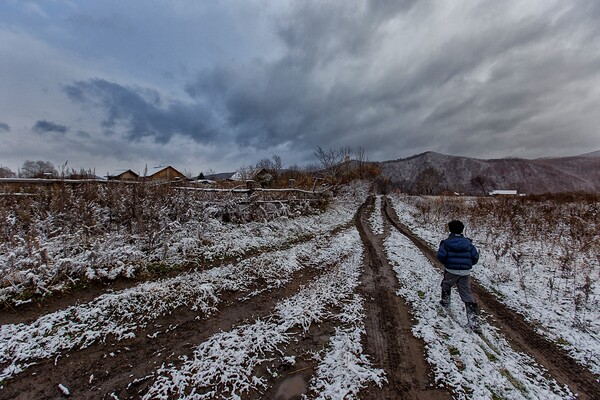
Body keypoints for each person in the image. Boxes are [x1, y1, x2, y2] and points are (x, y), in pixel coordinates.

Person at [437, 220, 481, 332]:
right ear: (462, 230)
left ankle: (445, 303)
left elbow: (441, 256)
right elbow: (475, 257)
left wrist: (448, 263)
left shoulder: (446, 243)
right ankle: (474, 321)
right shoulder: (468, 243)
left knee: (446, 285)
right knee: (466, 293)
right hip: (465, 272)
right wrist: (467, 264)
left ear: (450, 229)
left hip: (451, 270)